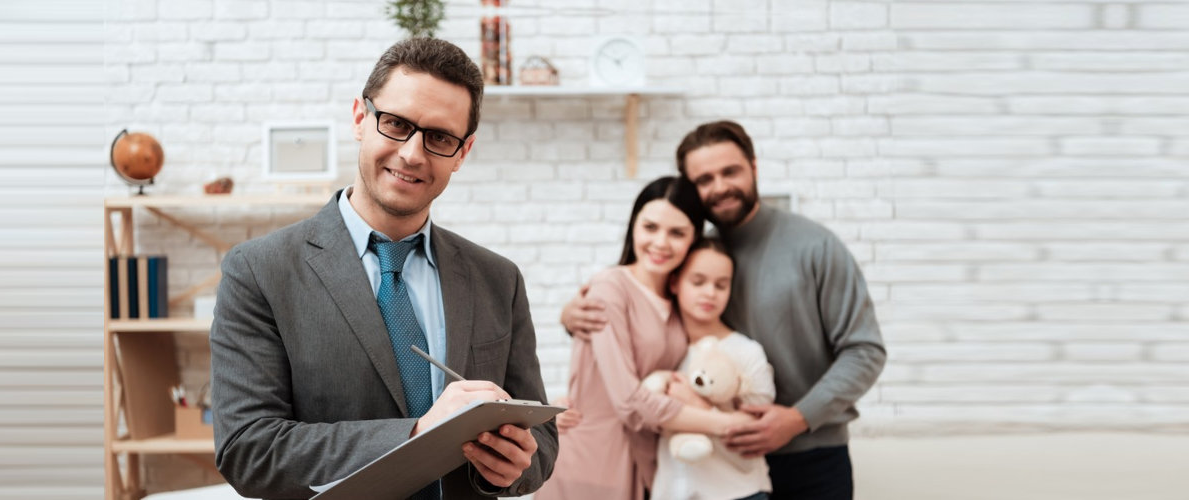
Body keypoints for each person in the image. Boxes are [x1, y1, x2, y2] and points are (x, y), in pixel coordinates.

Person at [210, 38, 557, 500]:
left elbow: (544, 442)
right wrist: (416, 434)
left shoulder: (498, 280)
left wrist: (515, 465)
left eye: (439, 137)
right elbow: (247, 450)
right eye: (396, 124)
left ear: (463, 152)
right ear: (360, 118)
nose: (413, 153)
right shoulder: (259, 271)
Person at [561, 121, 886, 500]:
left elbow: (865, 351)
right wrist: (571, 318)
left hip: (809, 452)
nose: (719, 186)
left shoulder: (815, 246)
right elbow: (639, 317)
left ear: (753, 166)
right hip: (713, 460)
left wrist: (797, 419)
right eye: (704, 179)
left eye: (730, 171)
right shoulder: (689, 256)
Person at [537, 177, 755, 500]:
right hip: (592, 464)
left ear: (694, 237)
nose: (660, 242)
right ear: (633, 226)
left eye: (677, 233)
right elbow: (629, 402)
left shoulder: (680, 297)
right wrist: (726, 424)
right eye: (650, 227)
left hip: (650, 464)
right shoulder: (609, 288)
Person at [650, 238, 776, 500]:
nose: (710, 293)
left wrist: (694, 403)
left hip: (737, 493)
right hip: (670, 492)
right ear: (674, 283)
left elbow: (757, 432)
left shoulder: (747, 352)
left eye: (721, 285)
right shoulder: (659, 348)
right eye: (698, 282)